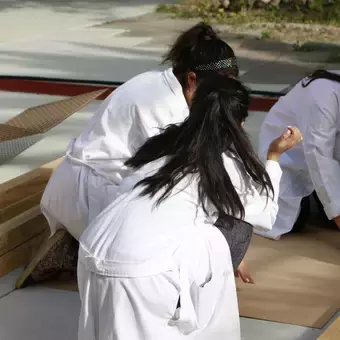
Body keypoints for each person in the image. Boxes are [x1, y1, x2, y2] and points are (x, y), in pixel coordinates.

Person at [77, 76, 302, 340]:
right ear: (239, 122)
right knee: (233, 226)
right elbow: (266, 213)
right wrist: (273, 158)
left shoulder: (162, 147)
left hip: (94, 248)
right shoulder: (225, 163)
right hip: (144, 268)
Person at [40, 22, 239, 243]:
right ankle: (85, 238)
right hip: (88, 195)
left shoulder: (160, 82)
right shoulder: (163, 106)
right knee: (198, 234)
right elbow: (179, 177)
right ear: (192, 80)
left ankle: (78, 240)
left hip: (79, 190)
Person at [258, 69, 340, 240]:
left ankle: (322, 200)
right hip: (289, 162)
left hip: (329, 162)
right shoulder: (323, 93)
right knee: (294, 219)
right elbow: (319, 158)